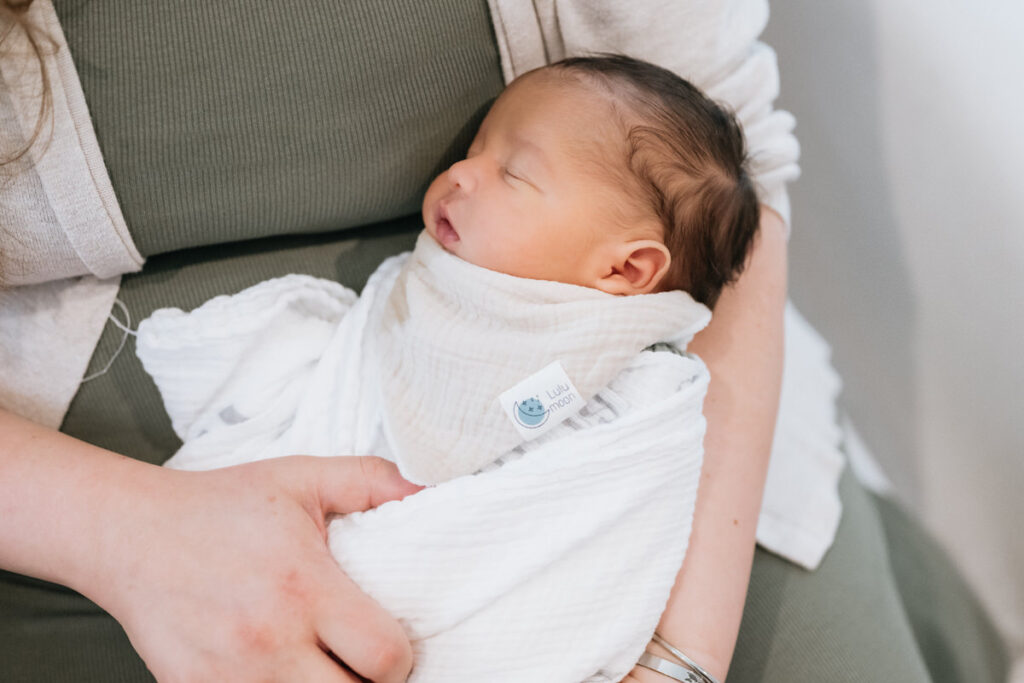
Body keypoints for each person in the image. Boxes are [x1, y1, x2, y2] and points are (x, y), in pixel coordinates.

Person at [0, 1, 785, 681]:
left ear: (626, 268)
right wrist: (131, 534)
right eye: (473, 149)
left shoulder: (643, 379)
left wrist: (678, 660)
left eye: (512, 173)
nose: (459, 175)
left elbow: (736, 176)